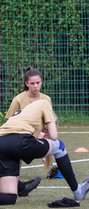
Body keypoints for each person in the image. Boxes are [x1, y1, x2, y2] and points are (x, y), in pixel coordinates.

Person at [0, 99, 89, 205]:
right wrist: (50, 131)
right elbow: (54, 136)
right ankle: (78, 191)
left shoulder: (25, 116)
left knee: (11, 197)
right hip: (18, 141)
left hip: (2, 143)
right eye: (45, 130)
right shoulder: (45, 103)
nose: (45, 134)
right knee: (59, 146)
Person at [5, 67, 55, 196]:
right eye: (32, 83)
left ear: (42, 82)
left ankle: (53, 169)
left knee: (55, 145)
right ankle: (15, 181)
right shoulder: (18, 99)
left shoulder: (46, 99)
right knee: (16, 155)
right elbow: (10, 121)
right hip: (21, 135)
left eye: (38, 83)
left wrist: (45, 131)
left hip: (39, 134)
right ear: (26, 83)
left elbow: (50, 120)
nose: (35, 86)